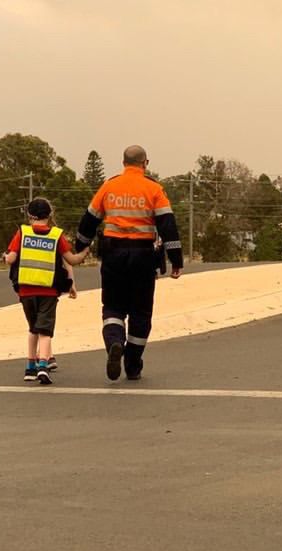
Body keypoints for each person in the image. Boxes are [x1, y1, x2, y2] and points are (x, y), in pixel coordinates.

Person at [74, 145, 183, 381]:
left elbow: (89, 220)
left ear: (123, 163)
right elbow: (167, 225)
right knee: (140, 312)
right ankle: (133, 363)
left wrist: (80, 246)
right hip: (143, 257)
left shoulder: (109, 186)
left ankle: (115, 342)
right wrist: (176, 260)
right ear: (145, 163)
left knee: (112, 307)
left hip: (113, 255)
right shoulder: (154, 189)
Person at [5, 197, 88, 384]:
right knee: (45, 330)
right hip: (49, 291)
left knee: (33, 328)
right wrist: (84, 253)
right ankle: (44, 364)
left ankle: (30, 366)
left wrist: (5, 257)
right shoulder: (56, 235)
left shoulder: (23, 233)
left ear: (29, 215)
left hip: (26, 290)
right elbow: (71, 260)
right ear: (50, 215)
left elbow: (10, 258)